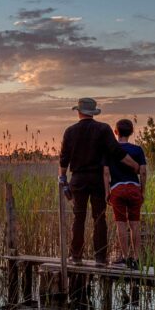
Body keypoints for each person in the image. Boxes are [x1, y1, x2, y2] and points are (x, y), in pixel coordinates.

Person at [59, 99, 141, 265]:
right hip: (97, 178)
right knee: (99, 218)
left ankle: (76, 257)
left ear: (79, 112)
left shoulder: (70, 131)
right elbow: (116, 151)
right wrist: (134, 165)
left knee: (78, 218)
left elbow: (64, 159)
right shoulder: (103, 129)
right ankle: (100, 258)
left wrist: (63, 179)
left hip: (78, 179)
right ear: (93, 112)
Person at [104, 119, 148, 270]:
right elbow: (142, 171)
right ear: (131, 133)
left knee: (121, 224)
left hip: (117, 189)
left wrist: (107, 193)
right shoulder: (138, 150)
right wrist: (142, 191)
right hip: (134, 188)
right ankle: (137, 258)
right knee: (134, 224)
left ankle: (125, 256)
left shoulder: (110, 150)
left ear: (116, 132)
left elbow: (105, 172)